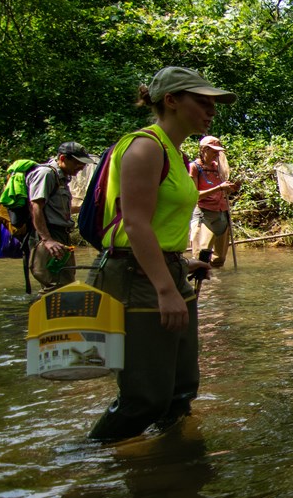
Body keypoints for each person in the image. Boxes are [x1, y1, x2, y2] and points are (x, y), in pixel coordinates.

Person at [86, 66, 233, 443]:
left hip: (166, 270)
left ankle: (170, 467)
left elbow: (159, 225)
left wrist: (181, 265)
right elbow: (134, 224)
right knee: (145, 398)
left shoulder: (176, 154)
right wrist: (165, 288)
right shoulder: (145, 147)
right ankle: (85, 463)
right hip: (137, 277)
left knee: (181, 390)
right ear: (171, 100)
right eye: (202, 102)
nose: (211, 111)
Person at [26, 141, 96, 292]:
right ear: (63, 159)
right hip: (49, 235)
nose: (82, 167)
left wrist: (88, 208)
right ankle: (37, 315)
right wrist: (47, 240)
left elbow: (59, 209)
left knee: (66, 283)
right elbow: (36, 207)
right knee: (54, 286)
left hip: (61, 235)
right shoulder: (46, 174)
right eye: (78, 163)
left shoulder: (62, 178)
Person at [188, 135, 238, 267]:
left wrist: (230, 188)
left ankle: (218, 286)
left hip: (222, 212)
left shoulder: (218, 168)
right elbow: (195, 195)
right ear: (204, 150)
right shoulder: (194, 167)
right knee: (201, 256)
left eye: (218, 151)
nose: (217, 154)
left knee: (219, 258)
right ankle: (203, 286)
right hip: (204, 214)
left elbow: (223, 191)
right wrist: (219, 187)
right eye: (214, 151)